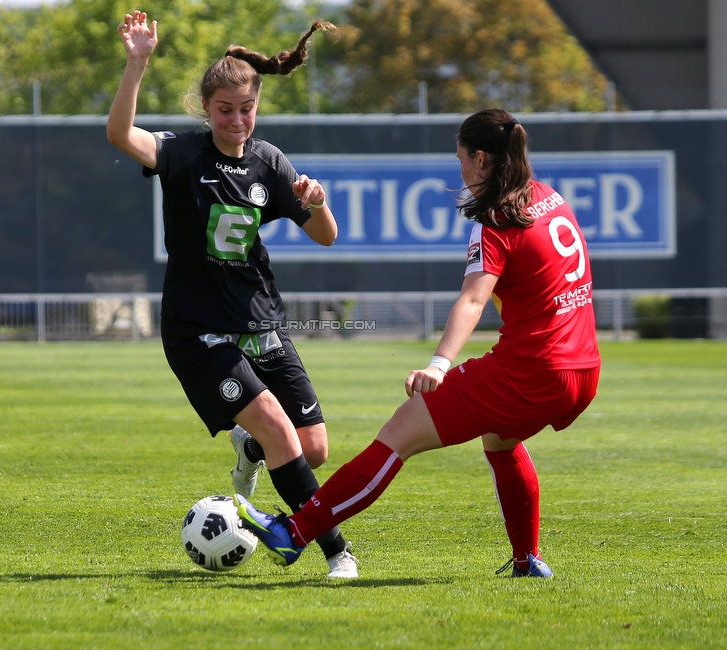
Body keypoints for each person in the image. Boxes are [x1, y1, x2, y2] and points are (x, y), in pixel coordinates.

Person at [236, 108, 601, 578]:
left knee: (401, 432)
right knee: (502, 439)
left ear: (483, 159)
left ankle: (295, 533)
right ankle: (527, 560)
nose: (461, 169)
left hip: (531, 370)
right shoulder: (551, 200)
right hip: (583, 369)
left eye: (462, 159)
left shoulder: (495, 221)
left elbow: (473, 301)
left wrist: (439, 363)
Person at [106, 11, 358, 578]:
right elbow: (120, 135)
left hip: (261, 322)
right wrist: (137, 62)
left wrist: (316, 202)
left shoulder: (269, 162)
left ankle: (249, 449)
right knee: (274, 423)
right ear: (205, 108)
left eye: (247, 109)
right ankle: (336, 551)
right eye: (225, 110)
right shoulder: (183, 154)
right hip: (199, 332)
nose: (237, 120)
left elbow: (326, 236)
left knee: (311, 449)